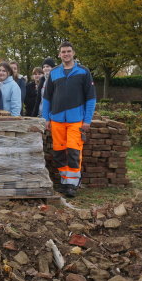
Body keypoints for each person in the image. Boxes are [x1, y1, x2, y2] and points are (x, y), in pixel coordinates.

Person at [43, 41, 96, 198]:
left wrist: (87, 120)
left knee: (74, 151)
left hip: (76, 120)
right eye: (63, 52)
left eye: (68, 51)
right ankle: (64, 182)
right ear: (59, 54)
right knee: (59, 152)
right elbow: (47, 98)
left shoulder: (84, 72)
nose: (66, 54)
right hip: (57, 120)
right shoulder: (54, 73)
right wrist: (46, 118)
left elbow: (91, 98)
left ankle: (73, 184)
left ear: (73, 53)